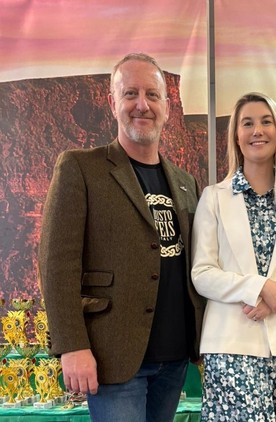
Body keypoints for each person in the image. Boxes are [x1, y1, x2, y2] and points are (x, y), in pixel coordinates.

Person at [38, 53, 204, 422]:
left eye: (152, 95)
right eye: (130, 93)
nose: (142, 105)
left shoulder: (186, 182)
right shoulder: (81, 168)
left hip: (175, 357)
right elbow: (56, 263)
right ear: (113, 103)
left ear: (166, 107)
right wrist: (71, 345)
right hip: (113, 358)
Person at [191, 92, 276, 421]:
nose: (257, 131)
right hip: (231, 349)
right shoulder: (213, 198)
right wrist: (260, 287)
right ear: (236, 136)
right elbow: (202, 273)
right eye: (247, 123)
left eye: (266, 122)